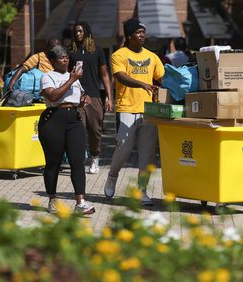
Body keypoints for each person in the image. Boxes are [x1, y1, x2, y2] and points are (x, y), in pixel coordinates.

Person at [103, 18, 165, 205]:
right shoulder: (119, 55)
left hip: (149, 111)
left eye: (143, 32)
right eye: (138, 32)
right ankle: (112, 176)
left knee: (147, 154)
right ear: (129, 37)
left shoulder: (153, 56)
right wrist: (142, 83)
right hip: (127, 108)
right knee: (123, 147)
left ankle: (142, 191)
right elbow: (120, 77)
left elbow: (161, 78)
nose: (142, 35)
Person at [38, 45, 95, 215]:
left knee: (77, 161)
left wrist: (84, 99)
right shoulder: (47, 77)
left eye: (66, 57)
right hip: (53, 119)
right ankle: (52, 199)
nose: (65, 59)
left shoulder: (75, 78)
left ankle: (80, 202)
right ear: (53, 61)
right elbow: (53, 96)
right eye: (61, 57)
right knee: (53, 162)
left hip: (74, 119)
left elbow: (79, 96)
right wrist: (71, 79)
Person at [68, 21, 113, 174]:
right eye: (75, 31)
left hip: (94, 95)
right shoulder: (70, 52)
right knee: (77, 130)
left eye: (80, 31)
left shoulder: (98, 51)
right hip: (76, 97)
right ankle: (78, 160)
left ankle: (95, 157)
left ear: (86, 32)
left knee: (95, 130)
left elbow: (105, 75)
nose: (77, 34)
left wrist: (110, 98)